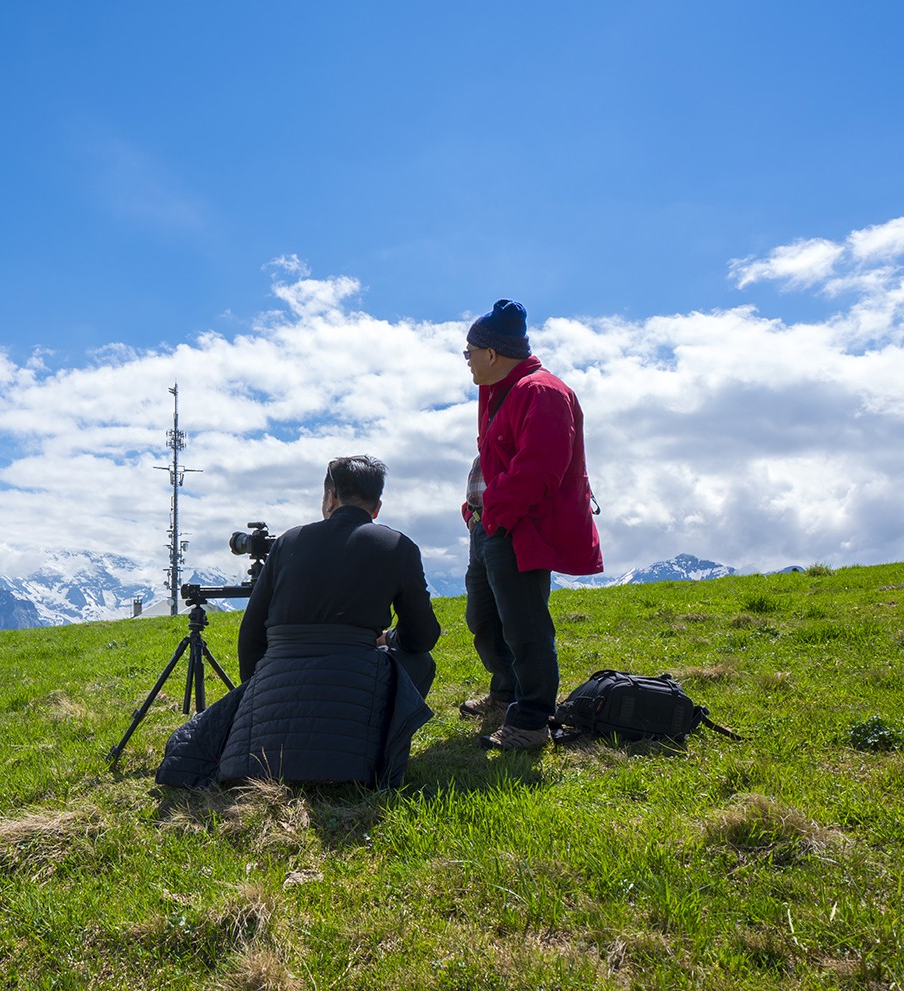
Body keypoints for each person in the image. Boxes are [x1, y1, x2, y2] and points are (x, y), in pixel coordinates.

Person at [155, 455, 440, 788]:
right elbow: (422, 637)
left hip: (262, 739)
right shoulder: (398, 547)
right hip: (354, 736)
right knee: (420, 662)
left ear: (330, 497)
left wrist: (258, 696)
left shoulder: (288, 542)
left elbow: (250, 635)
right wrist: (388, 639)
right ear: (377, 507)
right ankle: (382, 750)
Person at [460, 299, 603, 751]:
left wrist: (495, 514)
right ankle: (505, 692)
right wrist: (475, 515)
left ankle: (531, 720)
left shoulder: (541, 391)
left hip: (518, 529)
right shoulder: (501, 389)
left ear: (491, 353)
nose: (466, 362)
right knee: (483, 619)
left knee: (525, 627)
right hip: (490, 525)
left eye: (469, 353)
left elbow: (540, 471)